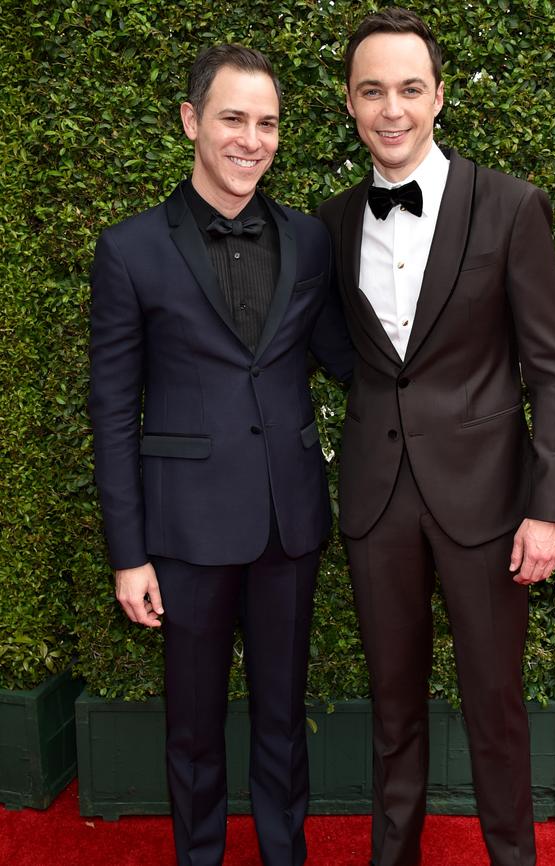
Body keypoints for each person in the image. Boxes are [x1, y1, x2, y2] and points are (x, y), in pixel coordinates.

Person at [318, 8, 555, 866]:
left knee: (495, 705)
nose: (391, 109)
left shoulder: (510, 205)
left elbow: (553, 370)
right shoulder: (332, 220)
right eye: (372, 91)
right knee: (392, 707)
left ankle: (513, 856)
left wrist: (548, 510)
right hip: (376, 498)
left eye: (409, 88)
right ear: (351, 104)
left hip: (490, 504)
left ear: (438, 96)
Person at [89, 44, 353, 866]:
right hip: (185, 535)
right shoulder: (129, 250)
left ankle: (284, 855)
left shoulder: (310, 242)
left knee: (282, 719)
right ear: (192, 121)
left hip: (288, 524)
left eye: (268, 122)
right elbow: (111, 410)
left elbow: (352, 362)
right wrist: (128, 556)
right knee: (193, 728)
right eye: (234, 118)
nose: (253, 138)